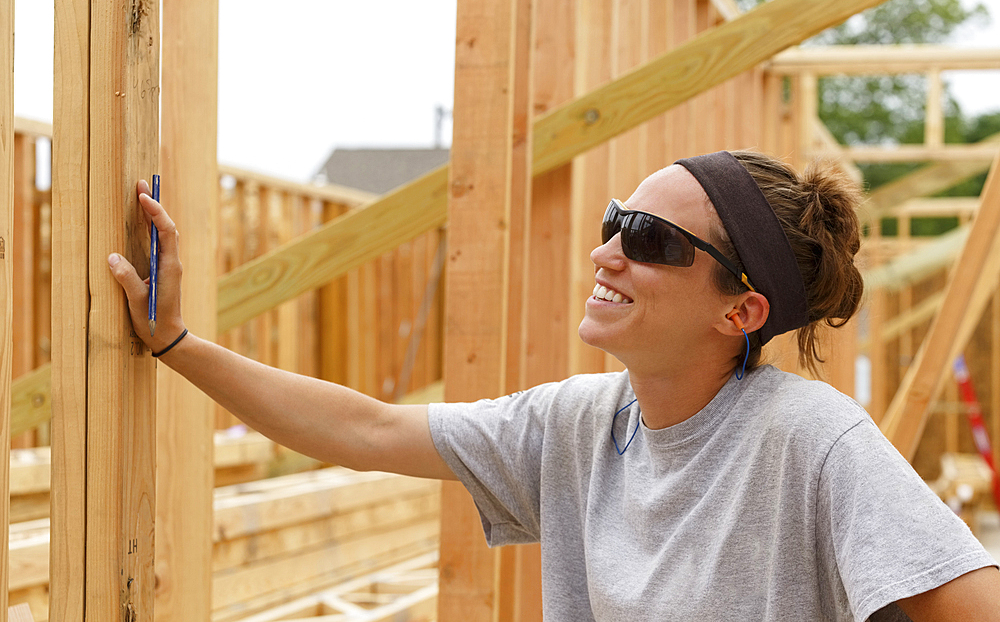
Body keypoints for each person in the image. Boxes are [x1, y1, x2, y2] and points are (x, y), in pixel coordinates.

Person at [109, 150, 1000, 621]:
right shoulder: (579, 423)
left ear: (740, 311)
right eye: (619, 221)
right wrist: (177, 342)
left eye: (653, 241)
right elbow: (369, 429)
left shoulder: (809, 437)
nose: (605, 251)